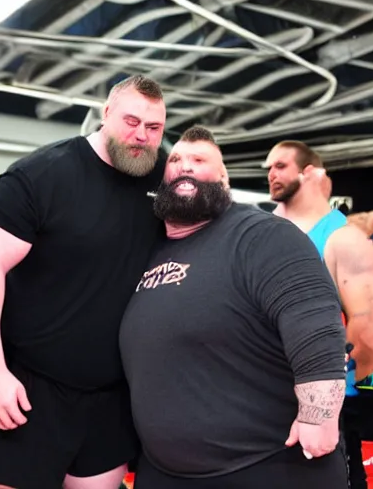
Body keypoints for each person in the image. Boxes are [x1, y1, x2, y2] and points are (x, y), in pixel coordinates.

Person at [0, 74, 168, 489]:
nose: (141, 136)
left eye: (154, 127)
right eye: (131, 121)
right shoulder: (41, 175)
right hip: (29, 383)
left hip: (111, 392)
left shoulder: (162, 179)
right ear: (106, 113)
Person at [120, 127, 347, 488]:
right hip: (163, 472)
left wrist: (319, 414)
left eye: (199, 159)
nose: (184, 166)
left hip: (269, 467)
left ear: (224, 178)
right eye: (175, 159)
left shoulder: (263, 235)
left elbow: (314, 320)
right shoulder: (148, 249)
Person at [265, 139, 373, 489]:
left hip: (329, 409)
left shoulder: (342, 240)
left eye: (280, 165)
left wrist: (342, 409)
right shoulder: (260, 232)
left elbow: (369, 329)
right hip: (267, 399)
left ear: (309, 172)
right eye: (268, 167)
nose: (271, 173)